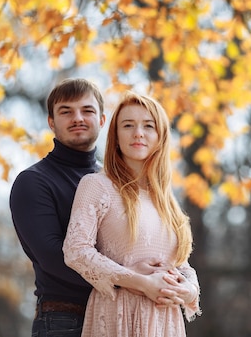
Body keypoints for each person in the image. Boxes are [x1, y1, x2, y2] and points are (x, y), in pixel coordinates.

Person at [10, 79, 185, 337]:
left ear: (102, 121)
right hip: (64, 319)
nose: (77, 118)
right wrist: (133, 279)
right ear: (51, 122)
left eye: (87, 111)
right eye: (66, 111)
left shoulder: (116, 183)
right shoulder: (34, 181)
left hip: (125, 314)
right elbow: (53, 257)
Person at [63, 91, 202, 337]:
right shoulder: (96, 185)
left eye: (148, 126)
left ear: (160, 137)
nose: (138, 133)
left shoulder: (166, 200)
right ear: (115, 136)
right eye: (128, 125)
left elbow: (181, 264)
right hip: (119, 315)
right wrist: (142, 283)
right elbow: (76, 250)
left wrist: (189, 290)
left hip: (165, 322)